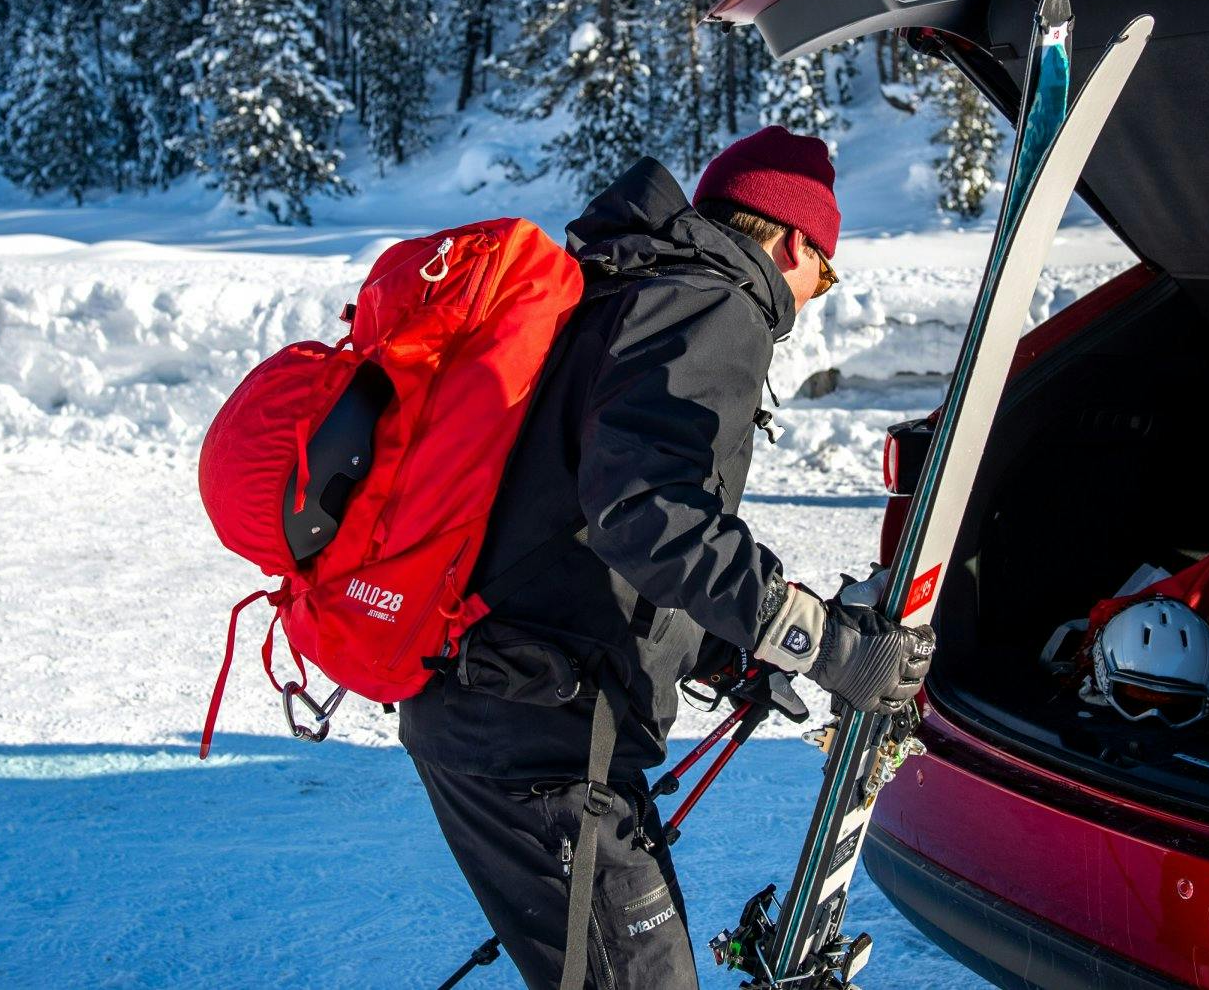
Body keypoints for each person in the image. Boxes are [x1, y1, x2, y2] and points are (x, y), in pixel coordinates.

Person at [400, 125, 936, 989]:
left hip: (496, 705)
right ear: (794, 240)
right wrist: (825, 644)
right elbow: (646, 515)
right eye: (825, 274)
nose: (815, 296)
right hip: (543, 741)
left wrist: (726, 649)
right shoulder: (712, 301)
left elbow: (576, 523)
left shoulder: (625, 286)